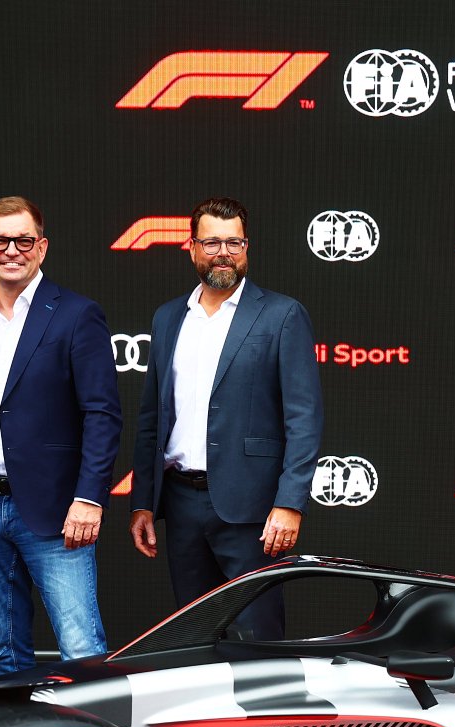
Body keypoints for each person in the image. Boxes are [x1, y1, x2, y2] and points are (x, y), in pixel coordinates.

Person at [128, 197, 323, 639]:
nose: (224, 253)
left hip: (252, 510)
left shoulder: (282, 315)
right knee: (192, 639)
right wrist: (142, 502)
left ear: (246, 247)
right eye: (212, 242)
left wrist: (290, 503)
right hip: (180, 503)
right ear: (192, 248)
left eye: (234, 243)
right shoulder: (168, 318)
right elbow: (151, 417)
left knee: (259, 639)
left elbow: (304, 419)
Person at [0, 196, 121, 676]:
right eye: (0, 241)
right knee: (2, 654)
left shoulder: (77, 314)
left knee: (82, 650)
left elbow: (102, 414)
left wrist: (89, 498)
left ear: (42, 248)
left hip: (59, 511)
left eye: (24, 241)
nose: (12, 251)